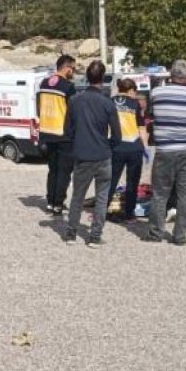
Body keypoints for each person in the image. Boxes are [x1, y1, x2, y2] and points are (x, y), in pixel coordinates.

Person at [60, 60, 121, 248]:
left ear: (86, 77)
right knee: (102, 198)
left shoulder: (75, 101)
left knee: (78, 195)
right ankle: (95, 236)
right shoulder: (108, 103)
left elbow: (67, 132)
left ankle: (71, 233)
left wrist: (76, 146)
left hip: (82, 156)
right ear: (103, 78)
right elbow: (117, 135)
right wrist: (107, 146)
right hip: (102, 156)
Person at [146, 59, 186, 246]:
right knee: (185, 194)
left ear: (171, 75)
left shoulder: (156, 93)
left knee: (160, 193)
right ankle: (179, 235)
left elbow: (151, 116)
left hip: (165, 151)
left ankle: (156, 232)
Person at [39, 54, 77, 215]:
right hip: (63, 134)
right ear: (66, 67)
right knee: (64, 171)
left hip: (46, 132)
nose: (74, 72)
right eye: (73, 68)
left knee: (52, 170)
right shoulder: (68, 87)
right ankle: (58, 204)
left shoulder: (44, 83)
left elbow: (38, 107)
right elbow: (73, 111)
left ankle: (50, 202)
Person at [107, 78, 147, 223]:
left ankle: (106, 210)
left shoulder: (110, 102)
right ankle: (129, 214)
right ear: (131, 90)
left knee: (111, 180)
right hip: (134, 147)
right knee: (132, 182)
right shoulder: (135, 104)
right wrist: (145, 147)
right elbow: (141, 128)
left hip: (116, 147)